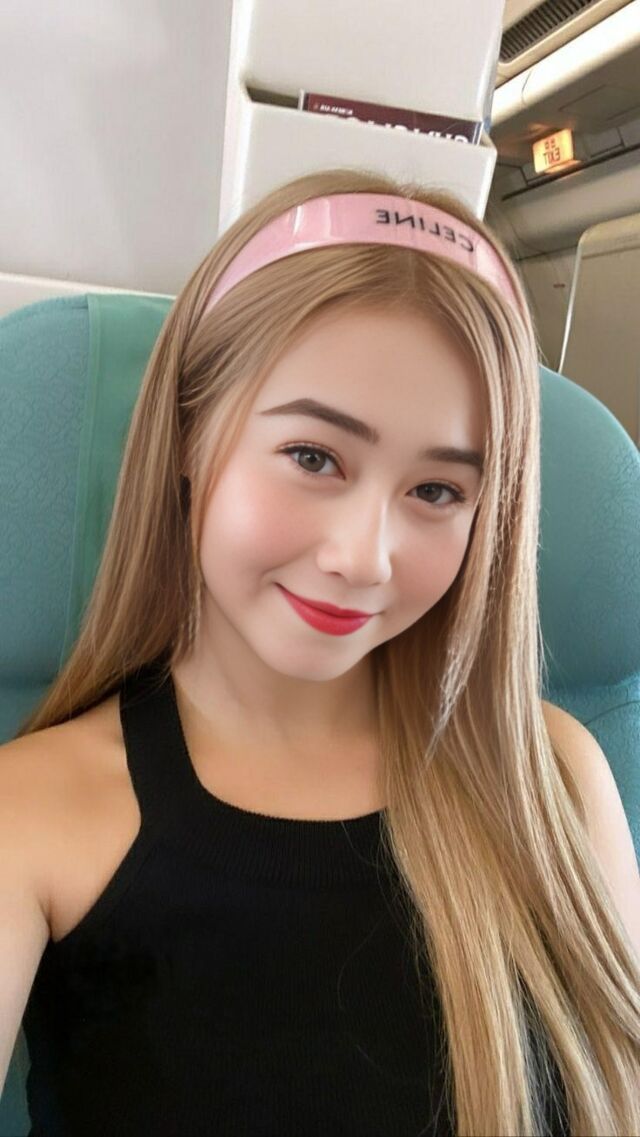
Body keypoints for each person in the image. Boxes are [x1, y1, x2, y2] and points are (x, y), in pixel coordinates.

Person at [1, 168, 639, 1137]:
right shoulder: (34, 812)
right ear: (189, 431)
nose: (362, 558)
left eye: (436, 492)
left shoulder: (553, 776)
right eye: (313, 457)